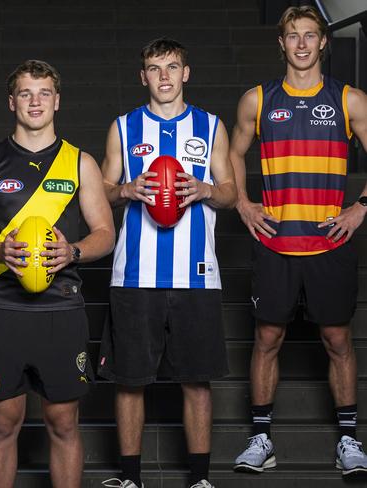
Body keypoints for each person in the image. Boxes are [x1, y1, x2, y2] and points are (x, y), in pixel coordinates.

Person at [0, 59, 115, 488]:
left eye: (43, 93)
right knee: (4, 421)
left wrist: (74, 251)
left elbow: (105, 234)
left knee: (63, 421)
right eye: (26, 93)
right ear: (12, 102)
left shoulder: (81, 163)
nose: (35, 101)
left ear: (57, 101)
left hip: (61, 308)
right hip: (4, 307)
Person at [230, 5, 367, 477]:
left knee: (337, 338)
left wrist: (361, 206)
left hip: (330, 242)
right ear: (282, 43)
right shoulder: (258, 100)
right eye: (294, 36)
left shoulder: (349, 100)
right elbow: (232, 151)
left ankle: (349, 439)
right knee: (267, 337)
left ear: (324, 42)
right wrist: (244, 204)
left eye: (311, 35)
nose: (303, 44)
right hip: (276, 242)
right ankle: (261, 438)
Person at [98, 38, 237, 488]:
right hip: (134, 274)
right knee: (130, 380)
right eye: (155, 68)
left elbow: (232, 192)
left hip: (196, 274)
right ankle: (130, 478)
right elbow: (97, 188)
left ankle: (199, 478)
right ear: (143, 76)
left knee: (196, 381)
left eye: (172, 67)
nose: (163, 76)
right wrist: (125, 190)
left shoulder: (211, 126)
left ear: (185, 73)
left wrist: (206, 189)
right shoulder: (122, 127)